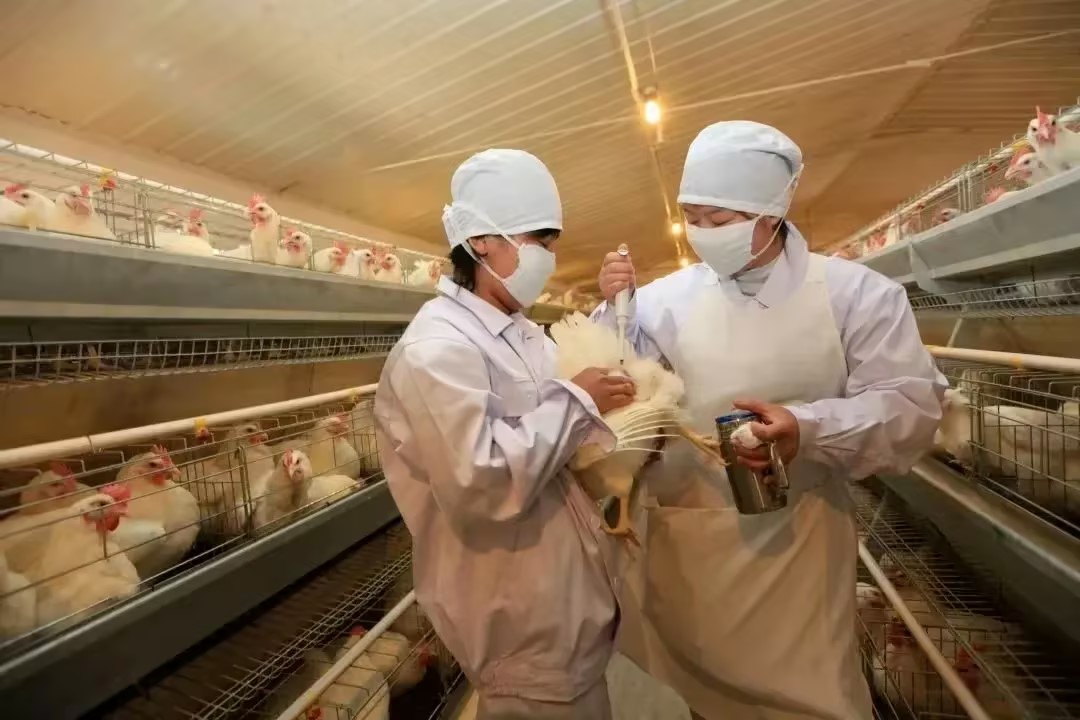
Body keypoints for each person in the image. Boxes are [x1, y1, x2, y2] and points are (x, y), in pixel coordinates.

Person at [593, 121, 946, 719]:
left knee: (810, 697)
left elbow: (909, 407)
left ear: (771, 213)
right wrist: (615, 310)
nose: (702, 233)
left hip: (798, 541)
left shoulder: (858, 295)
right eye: (692, 218)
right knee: (708, 696)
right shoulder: (662, 301)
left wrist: (807, 428)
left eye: (719, 219)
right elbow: (618, 382)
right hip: (694, 538)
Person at [374, 148, 635, 719]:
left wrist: (612, 317)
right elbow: (479, 480)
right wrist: (578, 401)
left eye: (552, 242)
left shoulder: (517, 331)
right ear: (480, 241)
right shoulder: (437, 348)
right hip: (518, 623)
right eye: (537, 239)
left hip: (561, 613)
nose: (549, 256)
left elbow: (559, 404)